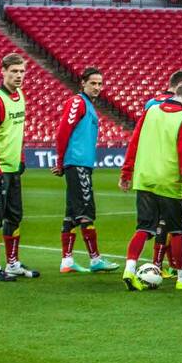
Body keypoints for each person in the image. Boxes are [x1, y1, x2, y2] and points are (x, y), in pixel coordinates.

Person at [119, 81, 182, 291]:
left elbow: (135, 141)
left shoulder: (151, 110)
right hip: (168, 181)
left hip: (144, 177)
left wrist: (126, 171)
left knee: (143, 227)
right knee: (177, 229)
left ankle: (129, 269)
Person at [0, 52, 39, 282]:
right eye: (14, 71)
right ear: (2, 71)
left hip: (13, 168)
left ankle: (12, 263)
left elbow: (18, 132)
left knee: (14, 216)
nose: (18, 76)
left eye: (22, 71)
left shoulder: (20, 96)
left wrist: (21, 157)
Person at [53, 66, 118, 274]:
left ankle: (67, 261)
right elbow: (63, 130)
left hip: (82, 163)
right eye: (93, 83)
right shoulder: (77, 102)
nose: (97, 87)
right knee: (86, 211)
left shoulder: (88, 105)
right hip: (77, 163)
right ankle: (95, 258)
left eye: (100, 83)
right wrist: (61, 160)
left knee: (72, 212)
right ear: (83, 83)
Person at [144, 69, 182, 274]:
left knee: (160, 220)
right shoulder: (172, 109)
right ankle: (168, 265)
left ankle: (165, 264)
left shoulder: (151, 104)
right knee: (171, 221)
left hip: (150, 169)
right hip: (168, 170)